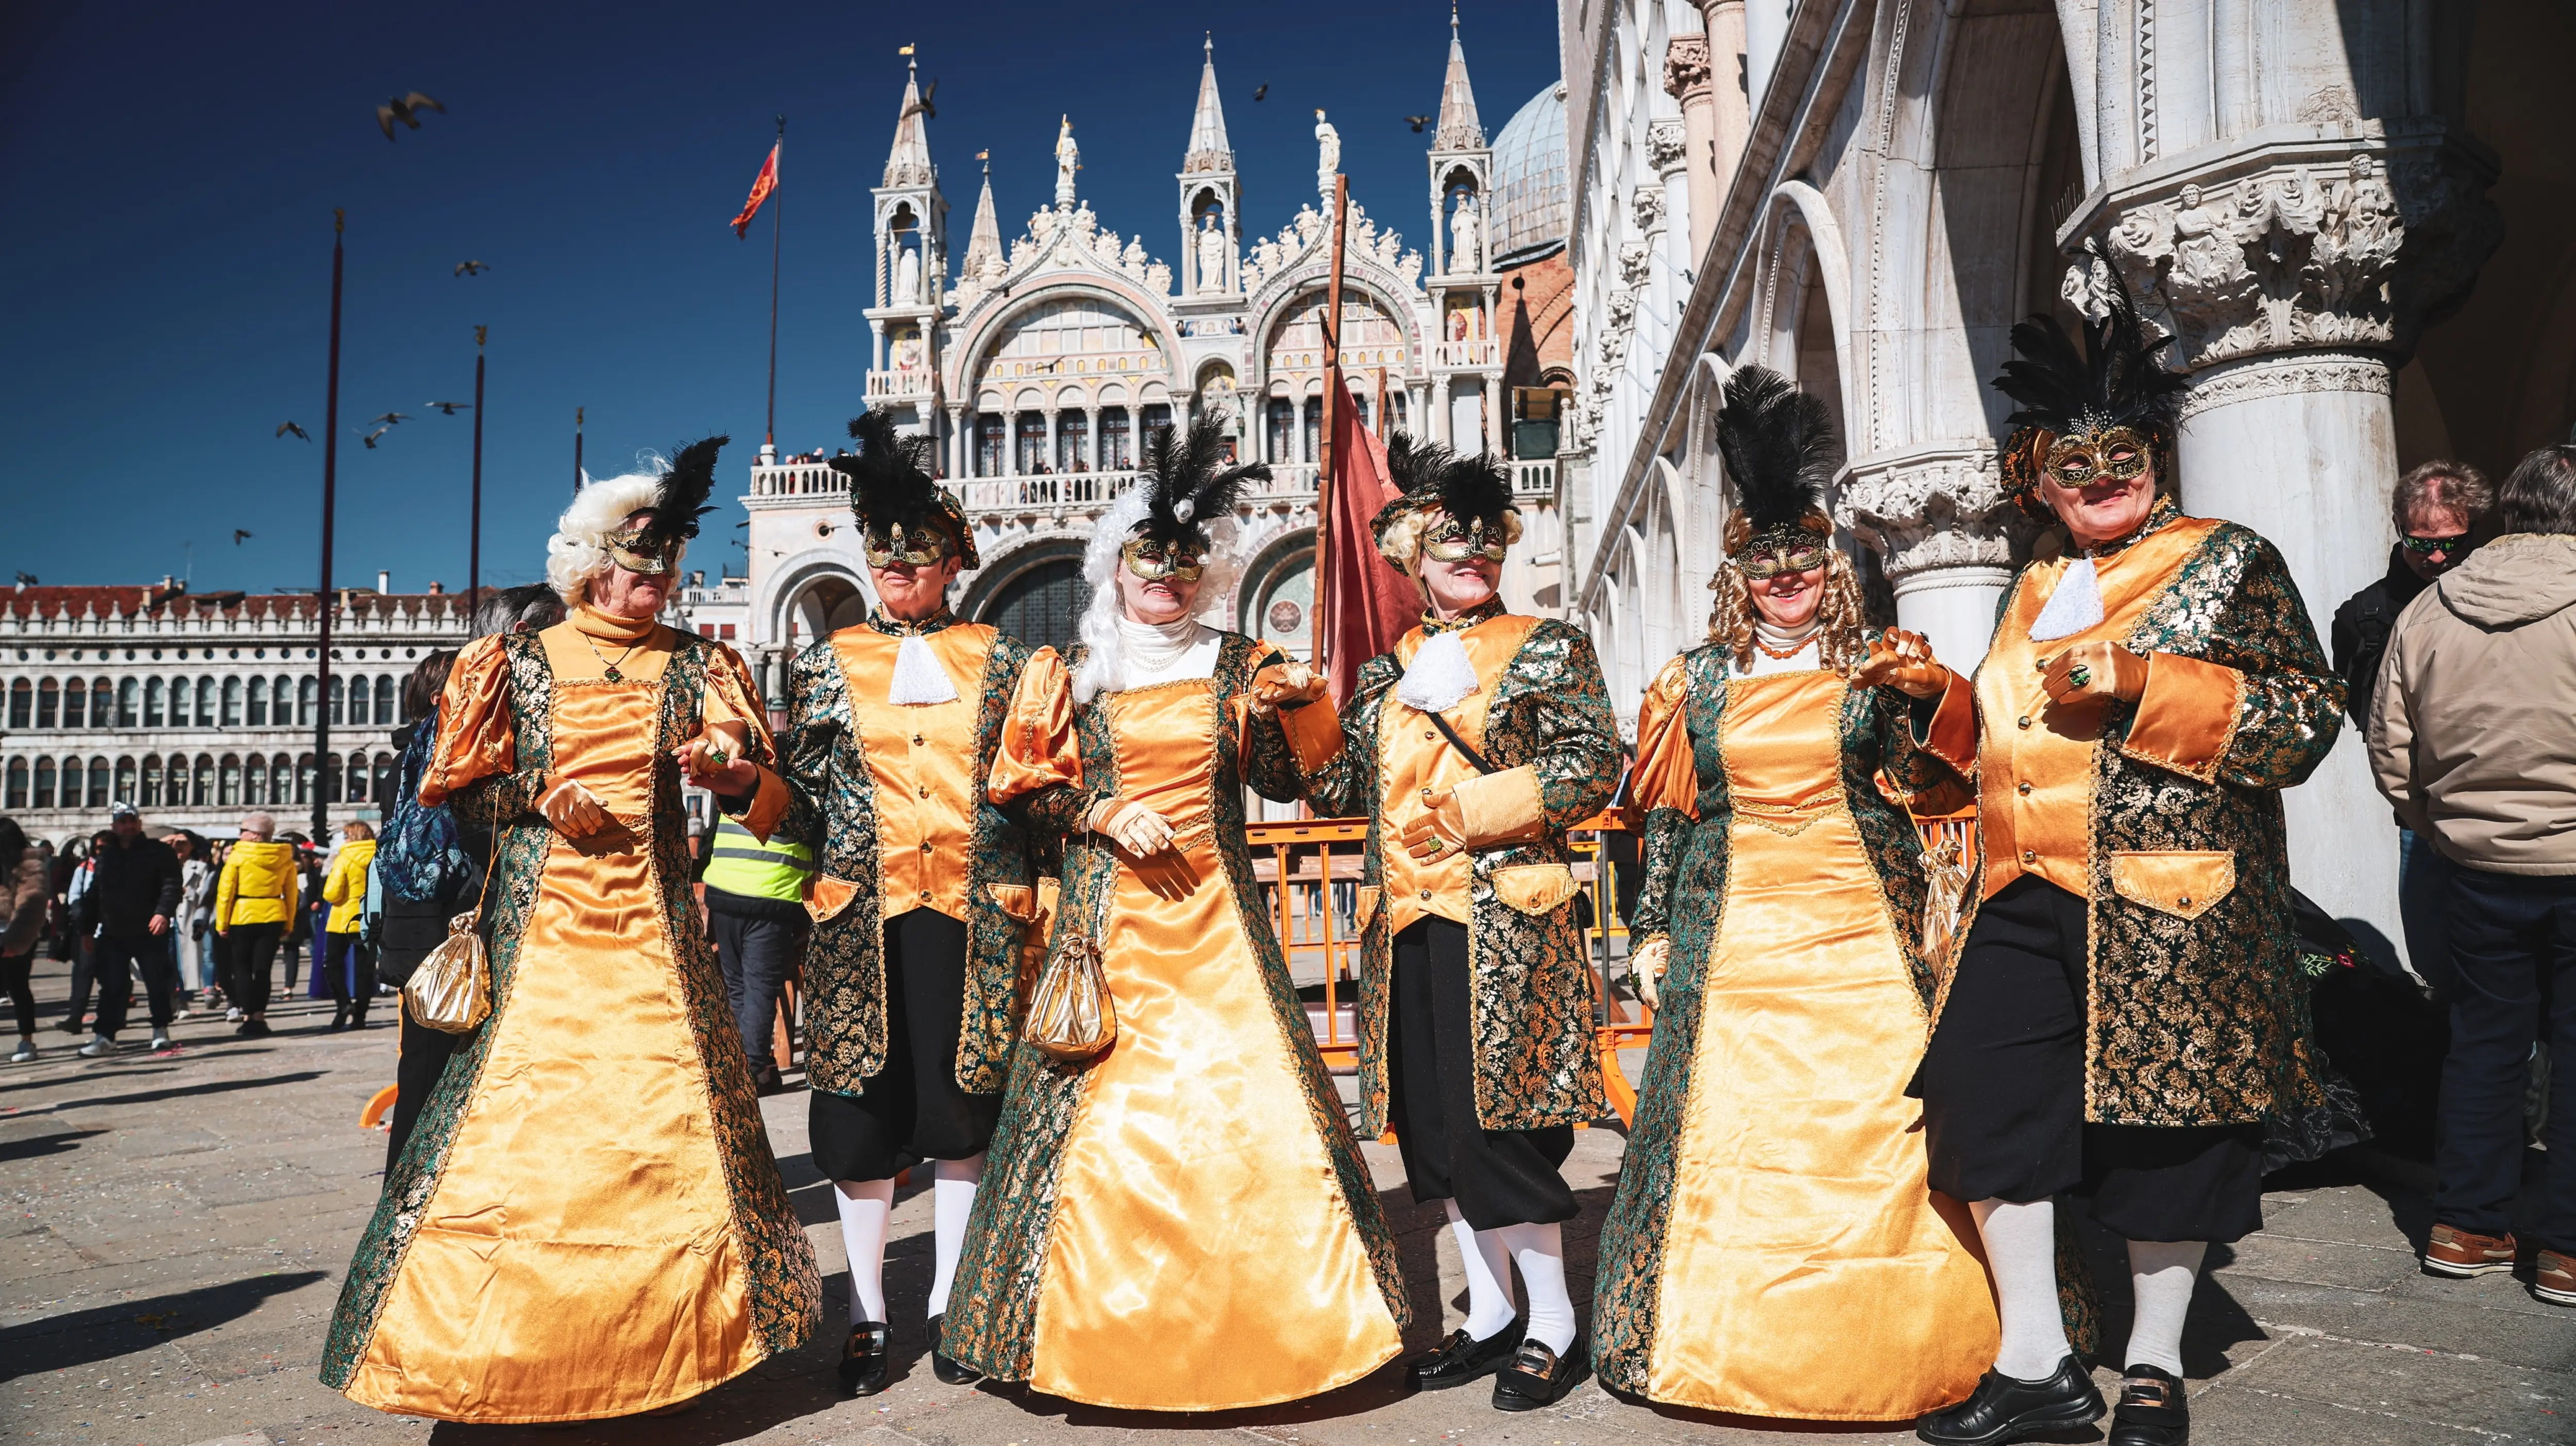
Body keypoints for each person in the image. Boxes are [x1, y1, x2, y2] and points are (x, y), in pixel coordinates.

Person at [1882, 260, 2345, 1446]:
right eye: (2070, 461)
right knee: (1984, 1101)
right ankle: (2037, 1360)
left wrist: (2146, 681)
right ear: (2034, 478)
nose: (2098, 476)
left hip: (2164, 900)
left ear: (2153, 453)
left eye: (2120, 452)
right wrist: (1937, 703)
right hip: (2018, 889)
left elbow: (2302, 718)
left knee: (2166, 1129)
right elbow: (2004, 738)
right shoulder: (2034, 585)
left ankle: (2152, 1363)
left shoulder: (2227, 559)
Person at [320, 438, 819, 1421]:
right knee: (519, 1143)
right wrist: (539, 794)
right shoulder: (510, 662)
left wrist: (732, 774)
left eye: (671, 564)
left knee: (657, 1142)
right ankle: (507, 1342)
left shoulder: (704, 665)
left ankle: (660, 1345)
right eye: (641, 565)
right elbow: (459, 792)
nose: (660, 582)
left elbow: (779, 800)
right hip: (536, 946)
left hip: (657, 948)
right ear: (592, 563)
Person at [945, 416, 1407, 1410]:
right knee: (1105, 1126)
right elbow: (1020, 788)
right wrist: (1101, 810)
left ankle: (1280, 1327)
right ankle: (1088, 1332)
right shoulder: (1068, 670)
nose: (1166, 576)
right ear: (1116, 565)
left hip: (1219, 930)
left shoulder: (1241, 663)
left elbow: (1298, 782)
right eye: (1148, 558)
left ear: (1208, 568)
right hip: (1108, 934)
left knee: (1244, 1112)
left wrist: (1301, 707)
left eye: (1185, 559)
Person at [1589, 366, 1995, 1419]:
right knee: (1736, 1134)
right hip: (1731, 940)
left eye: (1803, 559)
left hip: (1863, 938)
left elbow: (1937, 782)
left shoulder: (1876, 665)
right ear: (1739, 572)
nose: (1785, 578)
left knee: (1891, 1115)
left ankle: (1927, 1331)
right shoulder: (1693, 682)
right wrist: (1649, 930)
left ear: (1829, 563)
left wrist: (1935, 698)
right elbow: (1669, 816)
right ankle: (1728, 1339)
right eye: (1764, 563)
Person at [1305, 435, 1620, 1411]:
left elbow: (1591, 765)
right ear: (1414, 555)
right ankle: (1491, 1314)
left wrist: (1472, 811)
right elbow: (1335, 789)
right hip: (1406, 926)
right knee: (1437, 1134)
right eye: (1451, 543)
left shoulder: (1548, 645)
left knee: (1504, 1128)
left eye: (1487, 543)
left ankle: (1554, 1323)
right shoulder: (1382, 674)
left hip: (1505, 926)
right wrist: (1299, 710)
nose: (1472, 557)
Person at [762, 411, 1040, 1394]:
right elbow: (801, 801)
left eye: (917, 554)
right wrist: (746, 785)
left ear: (953, 561)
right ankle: (869, 1313)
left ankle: (954, 1300)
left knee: (963, 1109)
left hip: (974, 917)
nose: (897, 567)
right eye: (883, 552)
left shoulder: (1005, 661)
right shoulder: (825, 662)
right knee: (858, 1119)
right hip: (858, 922)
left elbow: (1036, 788)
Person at [2370, 442, 2576, 1308]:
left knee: (2485, 1042)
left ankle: (2467, 1224)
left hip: (2475, 863)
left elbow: (2392, 749)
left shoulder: (2432, 607)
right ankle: (2567, 1249)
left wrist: (2445, 826)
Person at [2334, 460, 2494, 991]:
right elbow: (2367, 720)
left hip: (2502, 806)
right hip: (2422, 816)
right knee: (2434, 958)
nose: (2435, 557)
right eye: (2419, 542)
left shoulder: (2503, 599)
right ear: (2398, 527)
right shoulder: (2362, 616)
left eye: (2451, 543)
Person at [77, 803, 184, 1058]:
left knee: (157, 982)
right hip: (114, 931)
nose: (128, 826)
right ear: (114, 826)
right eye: (123, 822)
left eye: (132, 821)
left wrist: (163, 912)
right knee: (112, 985)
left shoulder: (159, 851)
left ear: (139, 823)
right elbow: (95, 894)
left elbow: (171, 884)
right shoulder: (107, 856)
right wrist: (86, 929)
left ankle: (160, 1029)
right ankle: (106, 1036)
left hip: (150, 928)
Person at [215, 812, 299, 1036]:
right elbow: (292, 894)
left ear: (255, 835)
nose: (240, 835)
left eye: (243, 831)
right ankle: (260, 1017)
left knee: (242, 969)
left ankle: (247, 1016)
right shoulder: (284, 856)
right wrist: (289, 923)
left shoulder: (238, 856)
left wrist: (222, 923)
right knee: (263, 969)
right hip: (273, 914)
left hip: (242, 915)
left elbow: (226, 892)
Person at [319, 821, 378, 1031]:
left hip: (343, 918)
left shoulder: (345, 857)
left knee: (332, 964)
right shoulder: (378, 855)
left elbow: (332, 893)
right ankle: (360, 1015)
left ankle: (343, 1003)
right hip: (370, 917)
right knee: (365, 968)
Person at [54, 831, 109, 1034]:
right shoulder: (84, 869)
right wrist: (82, 915)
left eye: (107, 847)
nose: (102, 852)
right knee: (83, 973)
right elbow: (74, 896)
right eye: (99, 848)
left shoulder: (123, 866)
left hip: (114, 930)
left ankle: (111, 1017)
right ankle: (75, 1018)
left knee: (113, 977)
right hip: (89, 930)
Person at [5, 821, 45, 1063]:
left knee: (18, 987)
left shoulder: (28, 867)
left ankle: (27, 1040)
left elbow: (32, 905)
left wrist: (16, 941)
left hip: (15, 934)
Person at [172, 832, 216, 1013]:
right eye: (175, 843)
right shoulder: (164, 866)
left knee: (187, 960)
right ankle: (175, 997)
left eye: (183, 843)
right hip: (168, 917)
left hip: (190, 915)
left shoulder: (201, 867)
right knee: (170, 960)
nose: (179, 846)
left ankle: (187, 998)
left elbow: (205, 894)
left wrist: (188, 892)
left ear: (192, 846)